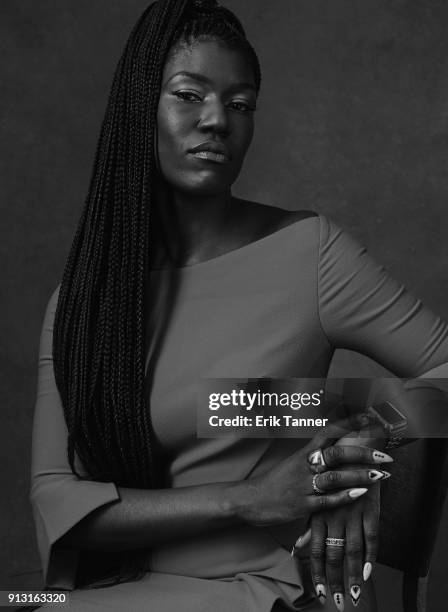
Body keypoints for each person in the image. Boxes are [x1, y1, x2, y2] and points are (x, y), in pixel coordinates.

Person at [30, 1, 448, 611]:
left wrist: (363, 441)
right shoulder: (81, 305)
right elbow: (59, 504)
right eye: (188, 95)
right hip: (116, 589)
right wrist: (248, 497)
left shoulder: (308, 254)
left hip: (272, 590)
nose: (216, 120)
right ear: (137, 108)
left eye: (240, 104)